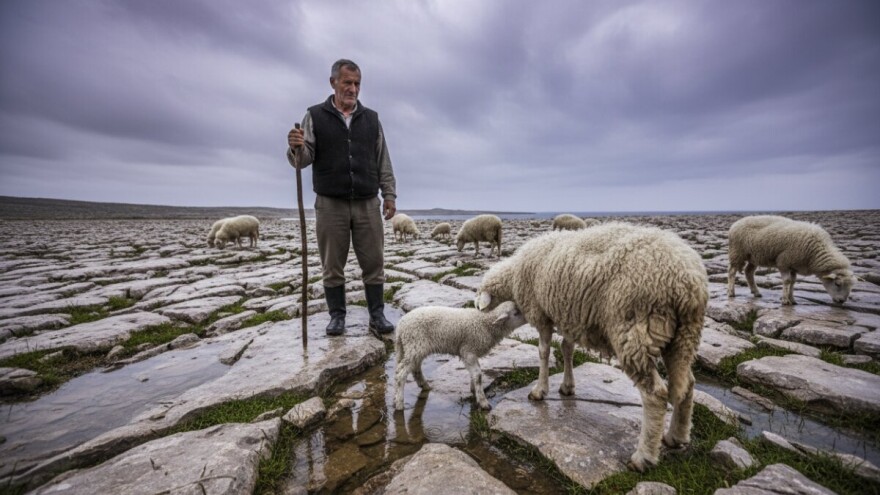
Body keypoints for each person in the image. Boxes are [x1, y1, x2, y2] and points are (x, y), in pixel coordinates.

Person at [287, 59, 397, 336]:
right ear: (333, 82)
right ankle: (337, 316)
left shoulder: (371, 119)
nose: (353, 88)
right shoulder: (315, 115)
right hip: (330, 204)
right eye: (347, 82)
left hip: (367, 202)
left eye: (357, 83)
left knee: (374, 262)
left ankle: (377, 315)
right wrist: (296, 147)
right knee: (332, 264)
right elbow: (303, 159)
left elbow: (382, 159)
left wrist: (389, 194)